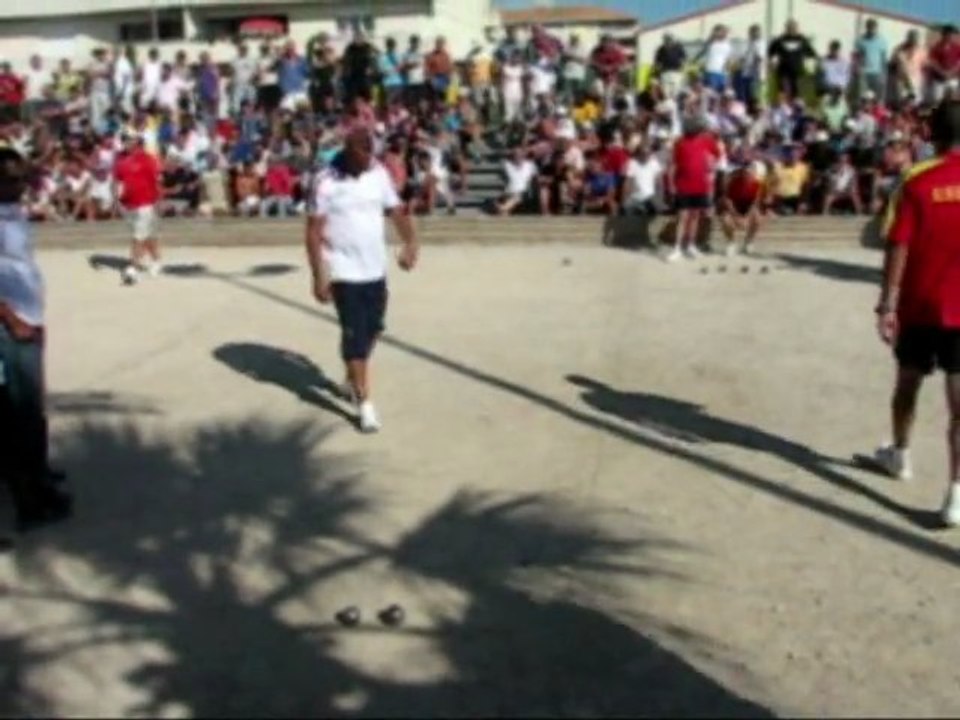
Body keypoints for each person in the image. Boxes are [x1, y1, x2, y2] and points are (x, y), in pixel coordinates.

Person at [873, 99, 960, 527]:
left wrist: (887, 304)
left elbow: (897, 243)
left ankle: (901, 454)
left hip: (920, 306)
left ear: (932, 134)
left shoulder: (916, 180)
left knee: (907, 385)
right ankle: (957, 494)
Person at [305, 128, 419, 433]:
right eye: (362, 153)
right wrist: (319, 275)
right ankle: (365, 403)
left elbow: (395, 210)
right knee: (354, 335)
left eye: (371, 152)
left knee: (374, 328)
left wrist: (411, 243)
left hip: (375, 268)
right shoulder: (325, 180)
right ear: (348, 150)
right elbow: (313, 232)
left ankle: (351, 379)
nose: (369, 159)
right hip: (343, 270)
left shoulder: (378, 172)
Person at [0, 146, 72, 533]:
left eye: (20, 178)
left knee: (32, 408)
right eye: (9, 180)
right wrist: (12, 321)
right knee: (17, 412)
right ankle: (30, 499)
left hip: (29, 318)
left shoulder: (14, 214)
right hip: (10, 327)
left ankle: (39, 474)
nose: (18, 185)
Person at [667, 116, 720, 261]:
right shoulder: (680, 142)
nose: (694, 129)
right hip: (683, 185)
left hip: (701, 184)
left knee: (695, 216)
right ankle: (677, 248)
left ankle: (690, 245)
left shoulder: (707, 140)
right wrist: (671, 184)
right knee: (683, 216)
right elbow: (673, 164)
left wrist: (711, 165)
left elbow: (717, 155)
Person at [113, 132, 163, 284]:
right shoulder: (120, 159)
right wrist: (115, 200)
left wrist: (159, 201)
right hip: (127, 204)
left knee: (138, 236)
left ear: (138, 142)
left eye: (129, 139)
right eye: (125, 139)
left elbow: (157, 181)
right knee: (146, 235)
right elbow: (117, 181)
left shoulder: (148, 159)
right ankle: (156, 260)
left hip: (146, 203)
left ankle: (132, 267)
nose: (126, 142)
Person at [720, 154, 766, 255]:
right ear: (741, 172)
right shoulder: (732, 182)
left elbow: (755, 203)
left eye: (750, 172)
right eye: (745, 172)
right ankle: (731, 243)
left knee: (758, 219)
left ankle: (748, 243)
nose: (748, 175)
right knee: (725, 219)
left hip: (748, 206)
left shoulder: (757, 184)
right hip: (734, 205)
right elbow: (727, 201)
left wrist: (746, 217)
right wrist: (736, 217)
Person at [768, 19, 817, 100]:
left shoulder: (803, 40)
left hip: (798, 73)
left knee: (797, 95)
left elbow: (812, 55)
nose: (792, 30)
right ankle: (784, 110)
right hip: (783, 73)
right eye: (789, 28)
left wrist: (810, 71)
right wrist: (772, 64)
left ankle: (796, 110)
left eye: (794, 28)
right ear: (786, 28)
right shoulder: (779, 40)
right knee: (783, 93)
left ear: (797, 29)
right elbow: (771, 53)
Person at [855, 18, 888, 104]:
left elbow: (883, 59)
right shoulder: (861, 40)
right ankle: (862, 113)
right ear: (866, 27)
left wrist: (883, 74)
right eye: (869, 27)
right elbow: (857, 57)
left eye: (873, 28)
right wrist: (858, 69)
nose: (871, 30)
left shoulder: (882, 41)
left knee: (876, 97)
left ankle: (875, 114)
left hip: (877, 73)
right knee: (863, 96)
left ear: (876, 28)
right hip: (864, 73)